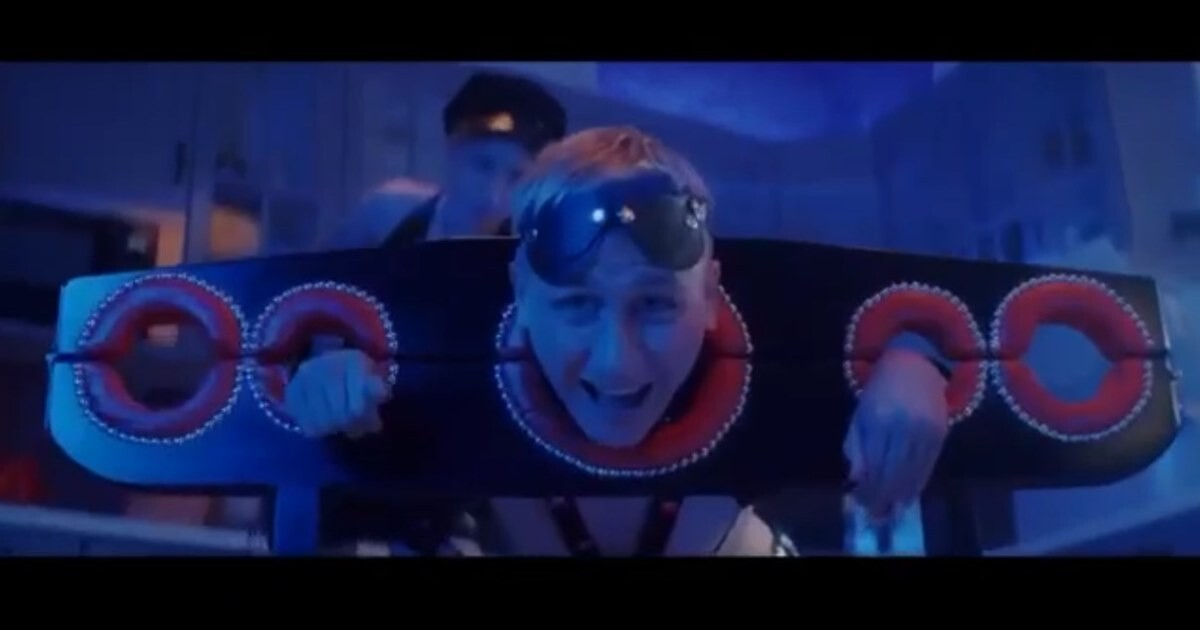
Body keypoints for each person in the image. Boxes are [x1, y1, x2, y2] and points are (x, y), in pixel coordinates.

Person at [286, 126, 951, 556]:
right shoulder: (454, 420)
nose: (616, 360)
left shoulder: (754, 383)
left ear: (711, 295)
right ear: (520, 293)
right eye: (576, 304)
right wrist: (327, 379)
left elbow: (924, 323)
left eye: (656, 304)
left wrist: (917, 360)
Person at [327, 70, 568, 250]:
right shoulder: (387, 214)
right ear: (451, 149)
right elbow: (316, 288)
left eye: (517, 177)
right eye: (482, 165)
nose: (493, 195)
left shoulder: (535, 259)